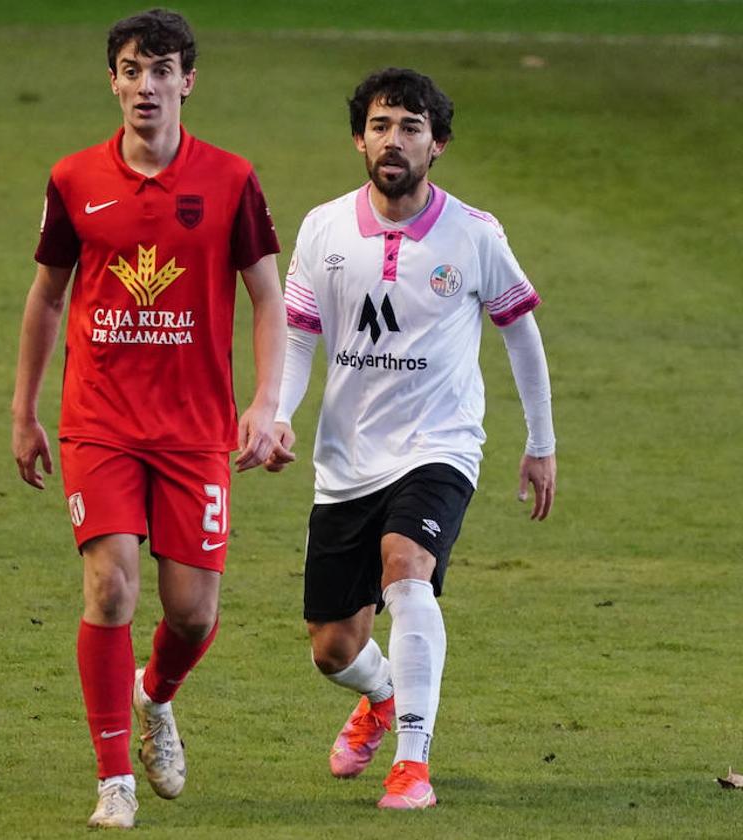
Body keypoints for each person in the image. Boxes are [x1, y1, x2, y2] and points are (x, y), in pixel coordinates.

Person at [11, 8, 289, 829]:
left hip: (196, 428)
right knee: (110, 585)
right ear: (113, 81)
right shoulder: (73, 179)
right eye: (132, 69)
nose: (146, 85)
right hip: (99, 421)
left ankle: (154, 699)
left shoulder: (232, 180)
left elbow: (268, 298)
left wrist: (266, 405)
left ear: (188, 82)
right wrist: (24, 411)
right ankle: (113, 782)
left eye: (162, 69)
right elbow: (46, 297)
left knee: (193, 612)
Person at [265, 67, 557, 810]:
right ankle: (380, 695)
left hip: (439, 444)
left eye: (412, 128)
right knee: (332, 647)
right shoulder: (323, 228)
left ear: (439, 145)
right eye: (381, 126)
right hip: (346, 460)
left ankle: (412, 763)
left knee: (407, 570)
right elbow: (299, 337)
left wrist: (540, 441)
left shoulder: (475, 234)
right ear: (359, 139)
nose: (394, 141)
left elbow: (520, 333)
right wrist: (277, 412)